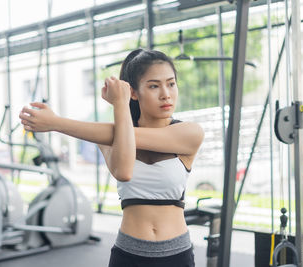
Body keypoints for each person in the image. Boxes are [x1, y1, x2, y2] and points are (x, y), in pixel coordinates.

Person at [19, 49, 204, 267]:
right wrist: (120, 106)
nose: (166, 94)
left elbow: (124, 135)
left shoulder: (189, 133)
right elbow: (124, 172)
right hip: (129, 254)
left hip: (176, 254)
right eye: (154, 86)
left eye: (171, 84)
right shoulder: (108, 136)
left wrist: (56, 123)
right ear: (133, 93)